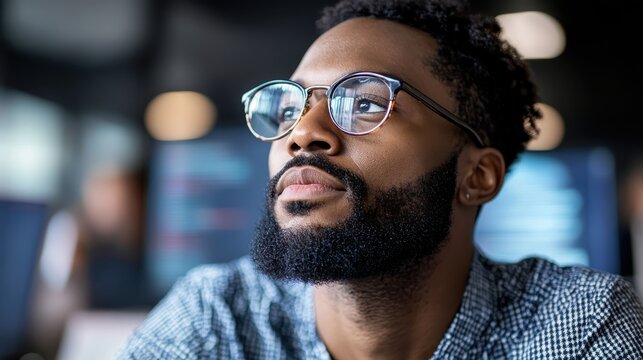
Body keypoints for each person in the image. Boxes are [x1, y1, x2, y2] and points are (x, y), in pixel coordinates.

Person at [120, 0, 643, 358]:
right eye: (290, 106)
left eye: (366, 103)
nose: (303, 134)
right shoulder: (218, 317)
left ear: (478, 176)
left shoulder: (575, 323)